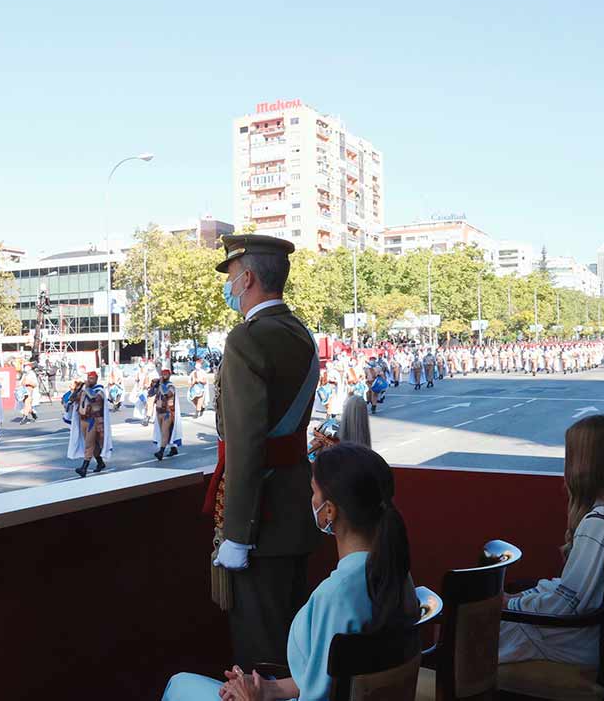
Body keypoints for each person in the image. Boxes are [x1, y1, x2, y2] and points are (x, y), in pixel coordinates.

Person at [164, 444, 416, 700]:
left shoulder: (336, 596)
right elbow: (330, 680)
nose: (311, 500)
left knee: (179, 685)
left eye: (313, 491)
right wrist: (266, 689)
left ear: (329, 511)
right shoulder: (397, 575)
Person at [206, 234, 321, 671]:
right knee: (292, 645)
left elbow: (247, 445)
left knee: (260, 654)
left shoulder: (246, 339)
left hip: (260, 521)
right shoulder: (300, 334)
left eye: (232, 277)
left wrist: (236, 534)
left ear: (247, 277)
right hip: (294, 506)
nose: (230, 287)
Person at [500, 414, 604, 667]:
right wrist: (527, 594)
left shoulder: (598, 523)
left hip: (581, 644)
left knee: (467, 629)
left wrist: (509, 603)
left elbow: (566, 604)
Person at [68, 370, 112, 477]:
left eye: (92, 378)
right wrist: (77, 389)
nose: (89, 380)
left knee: (89, 444)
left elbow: (93, 398)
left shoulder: (99, 391)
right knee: (94, 444)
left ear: (96, 379)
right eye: (88, 378)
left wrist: (86, 388)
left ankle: (84, 468)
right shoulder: (84, 390)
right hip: (83, 420)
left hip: (94, 421)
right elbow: (71, 399)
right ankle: (100, 463)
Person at [152, 366, 182, 461]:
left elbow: (166, 394)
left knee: (165, 431)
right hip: (159, 411)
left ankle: (161, 452)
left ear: (169, 375)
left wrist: (160, 385)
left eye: (166, 374)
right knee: (163, 432)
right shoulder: (159, 384)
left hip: (168, 412)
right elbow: (152, 393)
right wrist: (154, 385)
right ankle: (173, 448)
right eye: (162, 374)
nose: (163, 376)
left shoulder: (171, 386)